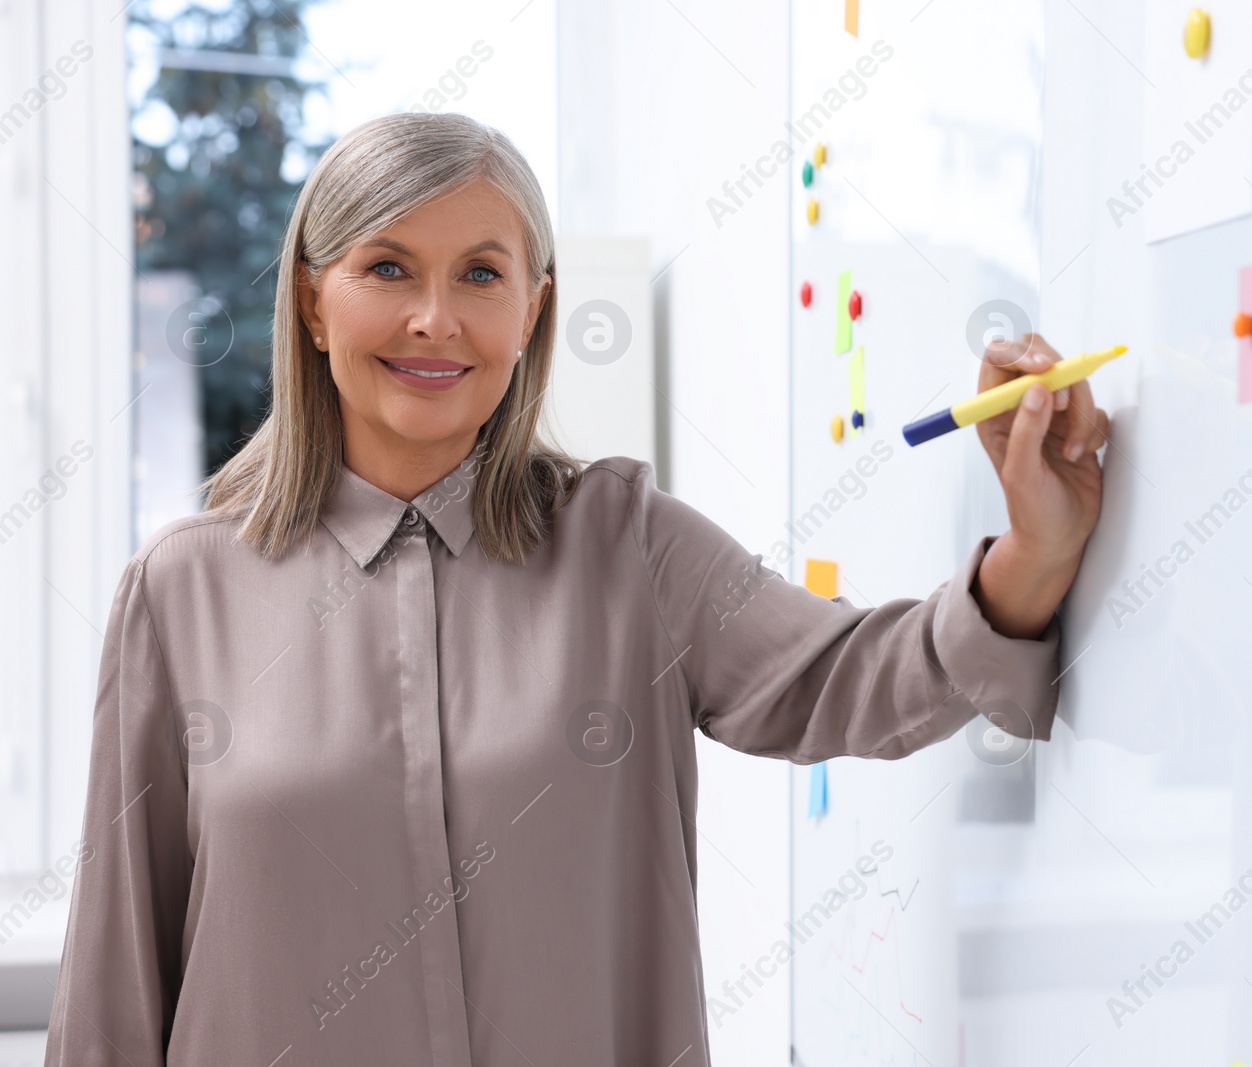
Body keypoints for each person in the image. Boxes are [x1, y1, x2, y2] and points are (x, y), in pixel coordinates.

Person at [44, 111, 1108, 1066]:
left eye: (478, 274)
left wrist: (1034, 549)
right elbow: (115, 979)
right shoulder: (180, 592)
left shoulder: (627, 546)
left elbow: (851, 678)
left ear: (533, 312)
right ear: (315, 305)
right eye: (385, 268)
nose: (433, 318)